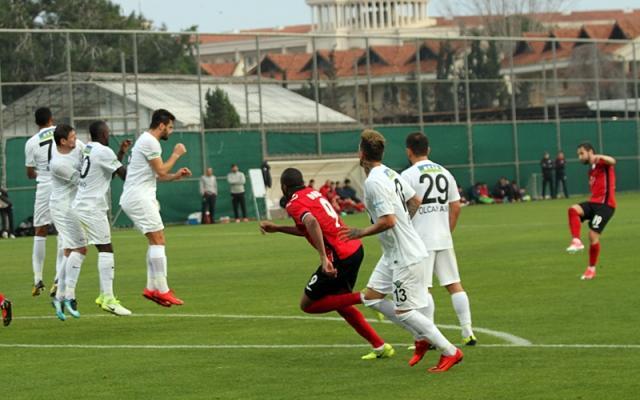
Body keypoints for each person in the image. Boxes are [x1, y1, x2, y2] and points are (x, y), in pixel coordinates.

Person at [340, 129, 463, 373]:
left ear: (361, 153)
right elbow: (415, 200)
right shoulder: (389, 172)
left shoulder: (374, 182)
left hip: (405, 254)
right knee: (371, 298)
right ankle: (421, 336)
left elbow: (388, 221)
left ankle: (450, 351)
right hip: (393, 253)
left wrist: (360, 232)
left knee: (405, 312)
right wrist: (406, 226)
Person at [259, 168, 393, 360]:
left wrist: (324, 258)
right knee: (340, 303)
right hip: (354, 248)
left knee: (308, 305)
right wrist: (278, 228)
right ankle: (380, 346)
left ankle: (364, 297)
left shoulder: (293, 203)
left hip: (339, 256)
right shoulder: (313, 193)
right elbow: (308, 228)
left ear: (284, 187)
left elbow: (312, 223)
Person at [401, 132, 477, 346]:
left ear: (408, 151)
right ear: (428, 149)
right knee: (454, 284)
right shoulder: (444, 172)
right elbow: (456, 206)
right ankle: (468, 331)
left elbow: (403, 208)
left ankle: (429, 338)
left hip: (420, 240)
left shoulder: (407, 175)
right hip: (443, 237)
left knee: (423, 289)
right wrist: (446, 230)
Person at [119, 109, 191, 307]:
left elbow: (158, 175)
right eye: (170, 127)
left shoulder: (146, 140)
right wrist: (176, 155)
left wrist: (176, 175)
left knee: (155, 241)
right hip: (138, 197)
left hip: (138, 196)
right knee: (159, 240)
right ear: (161, 125)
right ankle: (163, 289)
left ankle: (152, 288)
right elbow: (161, 170)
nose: (171, 131)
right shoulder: (150, 141)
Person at [71, 122, 132, 316]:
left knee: (81, 250)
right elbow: (124, 175)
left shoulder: (89, 149)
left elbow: (109, 173)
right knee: (106, 249)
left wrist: (120, 153)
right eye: (108, 132)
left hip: (81, 205)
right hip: (92, 208)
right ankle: (108, 299)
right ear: (104, 133)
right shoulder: (104, 151)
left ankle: (68, 292)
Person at [24, 107, 65, 296]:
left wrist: (41, 173)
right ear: (51, 119)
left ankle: (37, 279)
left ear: (36, 122)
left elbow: (29, 173)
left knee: (40, 231)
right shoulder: (61, 132)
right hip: (61, 185)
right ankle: (58, 278)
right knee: (62, 231)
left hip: (44, 187)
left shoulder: (31, 142)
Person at [49, 125, 85, 320]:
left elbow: (88, 157)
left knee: (71, 251)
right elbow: (82, 179)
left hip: (72, 205)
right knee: (80, 249)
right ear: (63, 141)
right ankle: (68, 295)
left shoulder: (78, 145)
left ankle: (60, 295)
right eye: (72, 137)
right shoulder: (57, 164)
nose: (76, 139)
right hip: (62, 208)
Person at [566, 143, 616, 281]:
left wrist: (599, 157)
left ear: (590, 152)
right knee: (573, 210)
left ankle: (591, 269)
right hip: (594, 203)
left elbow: (613, 161)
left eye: (581, 153)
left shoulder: (601, 163)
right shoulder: (591, 170)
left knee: (593, 236)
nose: (579, 157)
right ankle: (576, 241)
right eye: (578, 154)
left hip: (605, 205)